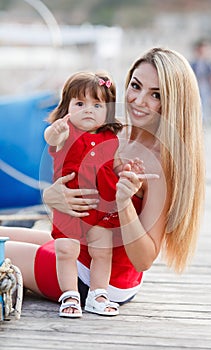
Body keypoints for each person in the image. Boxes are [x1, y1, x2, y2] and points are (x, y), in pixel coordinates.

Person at [0, 47, 205, 319]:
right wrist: (52, 196)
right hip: (81, 247)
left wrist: (124, 203)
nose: (139, 100)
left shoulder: (159, 163)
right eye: (136, 86)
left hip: (101, 280)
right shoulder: (118, 135)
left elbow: (144, 259)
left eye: (156, 95)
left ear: (173, 102)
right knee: (4, 233)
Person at [44, 71, 144, 317]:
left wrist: (130, 173)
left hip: (102, 209)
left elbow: (117, 166)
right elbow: (50, 137)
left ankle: (98, 294)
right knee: (66, 250)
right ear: (66, 107)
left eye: (97, 105)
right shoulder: (66, 133)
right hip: (72, 207)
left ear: (108, 111)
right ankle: (69, 295)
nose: (88, 110)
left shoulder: (112, 139)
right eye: (80, 104)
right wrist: (55, 131)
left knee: (103, 251)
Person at [190, 39, 211, 123]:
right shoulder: (192, 63)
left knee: (204, 110)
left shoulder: (209, 64)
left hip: (205, 90)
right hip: (194, 90)